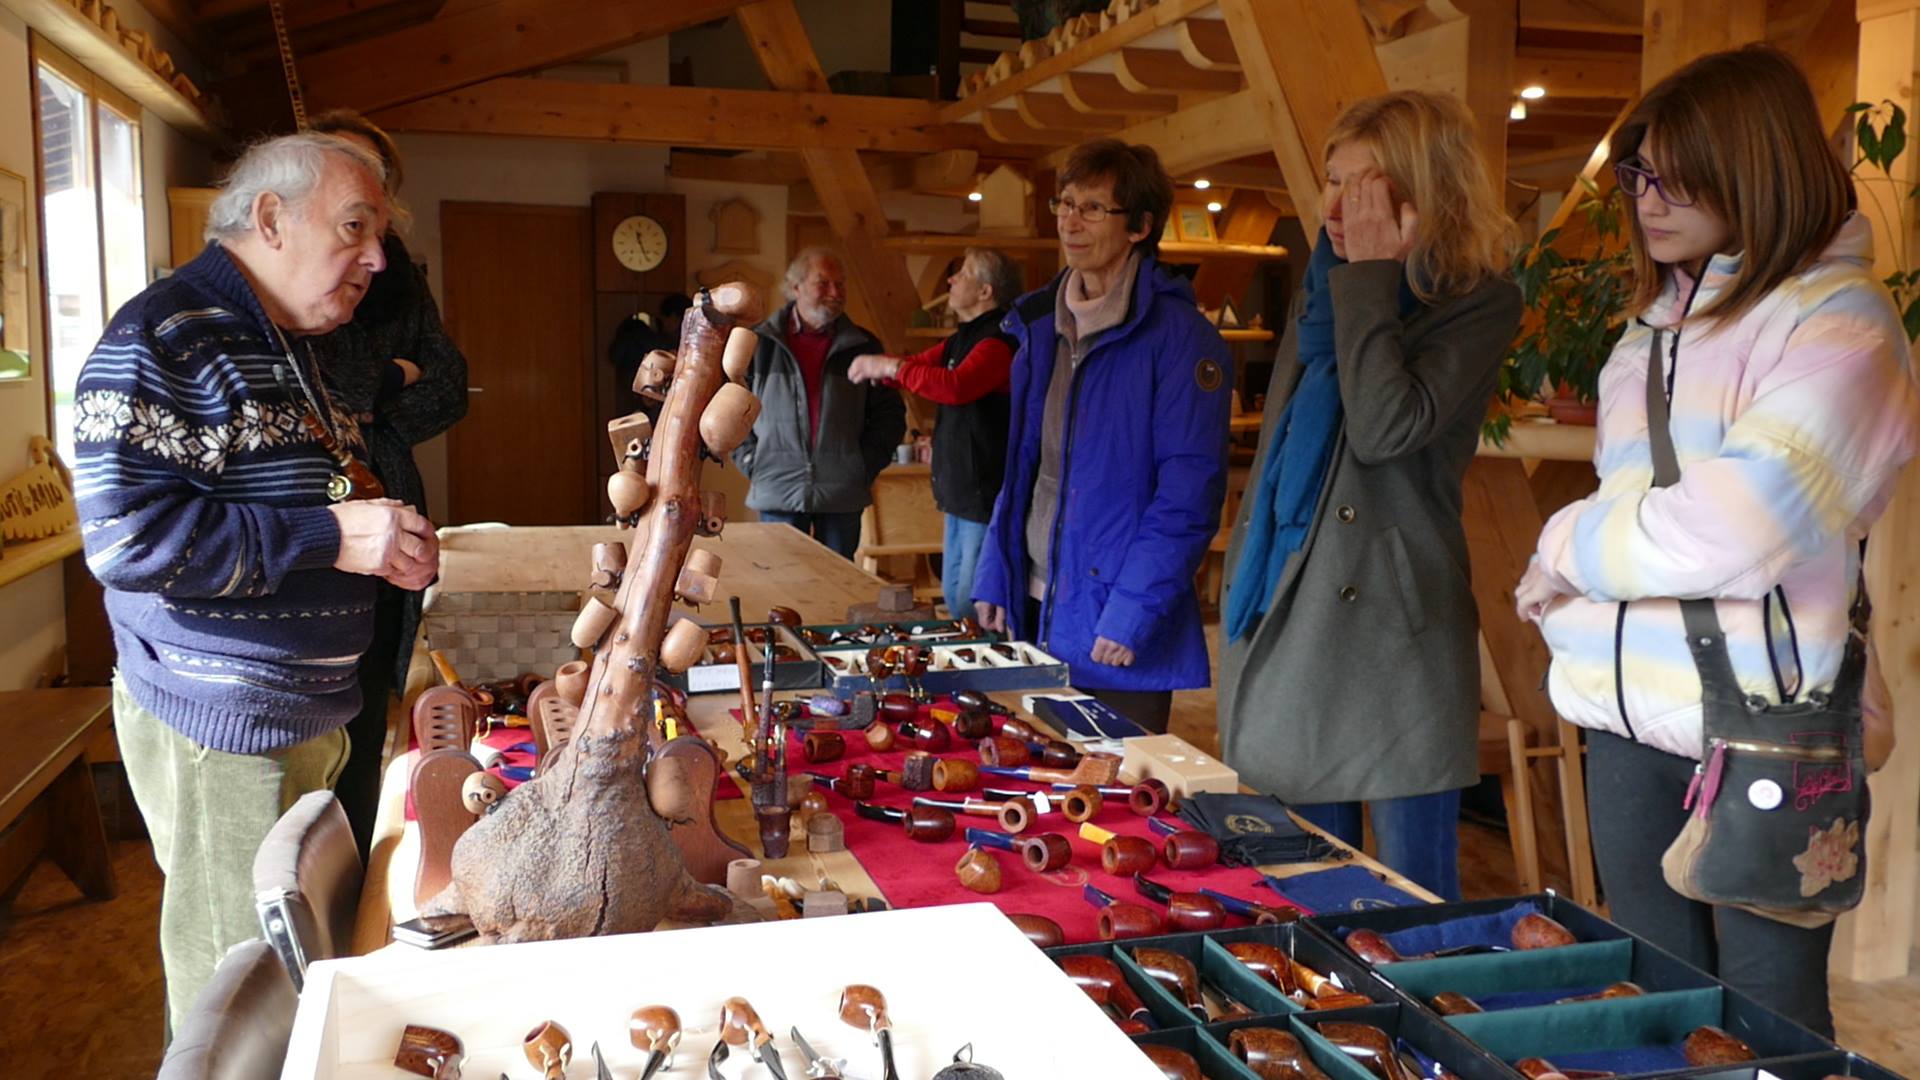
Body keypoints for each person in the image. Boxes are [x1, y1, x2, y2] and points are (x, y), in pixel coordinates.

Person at [1518, 47, 1918, 1035]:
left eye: (1680, 177)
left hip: (1765, 728)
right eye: (1640, 173)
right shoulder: (1647, 333)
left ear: (1756, 168)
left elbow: (1731, 532)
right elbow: (1646, 508)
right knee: (1659, 1012)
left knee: (1769, 1026)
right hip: (1625, 722)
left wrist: (1563, 546)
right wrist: (1581, 613)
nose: (1648, 201)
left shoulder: (1844, 325)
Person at [70, 132, 439, 1033]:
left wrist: (378, 541)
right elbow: (127, 540)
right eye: (354, 227)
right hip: (225, 728)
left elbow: (302, 503)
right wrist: (331, 536)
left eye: (378, 236)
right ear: (270, 218)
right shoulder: (166, 336)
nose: (376, 259)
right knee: (233, 994)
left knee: (292, 968)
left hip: (301, 713)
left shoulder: (287, 340)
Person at [1215, 90, 1521, 901]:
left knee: (1410, 900)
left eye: (1363, 185)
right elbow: (1280, 447)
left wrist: (1373, 281)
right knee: (1306, 883)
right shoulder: (1325, 290)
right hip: (1292, 602)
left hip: (1394, 632)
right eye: (1332, 181)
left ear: (1423, 189)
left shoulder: (1478, 299)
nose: (1336, 207)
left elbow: (1386, 427)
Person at [970, 140, 1231, 733]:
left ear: (1140, 226)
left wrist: (1132, 611)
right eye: (1065, 204)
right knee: (1036, 773)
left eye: (1092, 208)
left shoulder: (1183, 341)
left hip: (1118, 621)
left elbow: (1188, 497)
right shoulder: (1038, 326)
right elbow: (1025, 469)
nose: (1070, 222)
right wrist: (996, 573)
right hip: (1033, 606)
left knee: (1117, 782)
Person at [304, 109, 469, 857]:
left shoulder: (393, 269)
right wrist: (389, 377)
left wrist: (373, 400)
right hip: (320, 526)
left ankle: (362, 879)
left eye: (379, 184)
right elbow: (328, 381)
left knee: (377, 702)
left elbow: (451, 387)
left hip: (391, 498)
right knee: (323, 727)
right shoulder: (290, 279)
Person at [848, 248, 1023, 617]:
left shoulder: (998, 341)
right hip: (960, 490)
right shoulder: (962, 339)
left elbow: (956, 386)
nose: (951, 280)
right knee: (953, 593)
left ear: (985, 291)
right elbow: (918, 366)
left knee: (968, 601)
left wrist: (890, 367)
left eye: (963, 273)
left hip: (983, 491)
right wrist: (886, 370)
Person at [735, 248, 906, 559]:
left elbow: (890, 413)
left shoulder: (864, 346)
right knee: (782, 582)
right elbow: (731, 411)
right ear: (796, 286)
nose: (835, 293)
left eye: (840, 284)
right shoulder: (758, 344)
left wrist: (863, 464)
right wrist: (752, 461)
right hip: (777, 489)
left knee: (838, 584)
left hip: (842, 491)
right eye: (823, 283)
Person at [609, 292, 692, 415]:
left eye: (663, 319)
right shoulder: (686, 340)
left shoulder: (671, 343)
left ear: (674, 317)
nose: (662, 325)